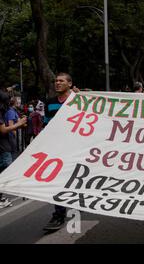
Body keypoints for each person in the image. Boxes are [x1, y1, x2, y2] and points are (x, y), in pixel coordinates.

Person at [43, 72, 77, 231]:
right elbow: (47, 126)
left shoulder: (78, 100)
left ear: (70, 84)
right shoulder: (49, 103)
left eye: (61, 81)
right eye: (56, 81)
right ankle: (59, 214)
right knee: (57, 181)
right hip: (57, 149)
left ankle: (74, 204)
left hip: (76, 148)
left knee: (73, 179)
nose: (57, 83)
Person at [0, 91, 27, 208]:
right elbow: (4, 129)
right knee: (8, 171)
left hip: (4, 146)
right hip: (3, 146)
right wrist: (19, 123)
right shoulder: (7, 112)